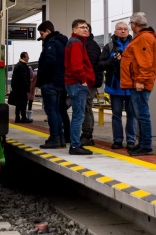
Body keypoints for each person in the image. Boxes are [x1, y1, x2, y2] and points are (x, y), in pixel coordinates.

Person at [120, 12, 156, 156]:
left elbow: (145, 63)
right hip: (137, 82)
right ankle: (142, 143)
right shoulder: (144, 37)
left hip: (140, 83)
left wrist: (141, 81)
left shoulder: (144, 38)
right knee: (141, 114)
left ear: (134, 24)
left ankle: (146, 146)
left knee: (142, 115)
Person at [99, 21, 136, 150]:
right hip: (115, 87)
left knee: (132, 114)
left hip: (131, 87)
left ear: (128, 31)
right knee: (116, 115)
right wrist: (112, 60)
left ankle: (131, 140)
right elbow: (100, 64)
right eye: (120, 29)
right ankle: (118, 140)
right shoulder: (109, 47)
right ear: (115, 32)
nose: (123, 31)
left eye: (125, 29)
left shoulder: (134, 45)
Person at [35, 21, 69, 149]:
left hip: (50, 82)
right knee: (58, 111)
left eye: (42, 33)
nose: (42, 36)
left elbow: (49, 62)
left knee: (52, 111)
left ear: (48, 31)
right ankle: (60, 139)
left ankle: (55, 138)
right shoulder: (63, 42)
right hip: (61, 82)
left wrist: (41, 78)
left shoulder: (51, 43)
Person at [64, 19, 95, 155]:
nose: (85, 29)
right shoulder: (76, 43)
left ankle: (74, 144)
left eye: (87, 27)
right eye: (82, 27)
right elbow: (77, 66)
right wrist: (83, 80)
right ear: (74, 30)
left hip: (73, 83)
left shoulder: (75, 42)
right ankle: (75, 145)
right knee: (78, 116)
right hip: (77, 83)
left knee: (78, 115)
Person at [79, 24, 104, 147]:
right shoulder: (86, 44)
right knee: (84, 107)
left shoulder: (91, 46)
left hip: (89, 82)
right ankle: (85, 134)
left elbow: (90, 65)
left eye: (82, 28)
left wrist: (84, 80)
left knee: (86, 107)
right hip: (87, 82)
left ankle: (87, 135)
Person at [9, 52, 33, 123]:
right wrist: (26, 88)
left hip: (17, 88)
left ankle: (17, 118)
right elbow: (24, 78)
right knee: (23, 103)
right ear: (23, 57)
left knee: (18, 104)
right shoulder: (22, 66)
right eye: (27, 57)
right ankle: (23, 118)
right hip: (21, 89)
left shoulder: (18, 65)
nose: (28, 58)